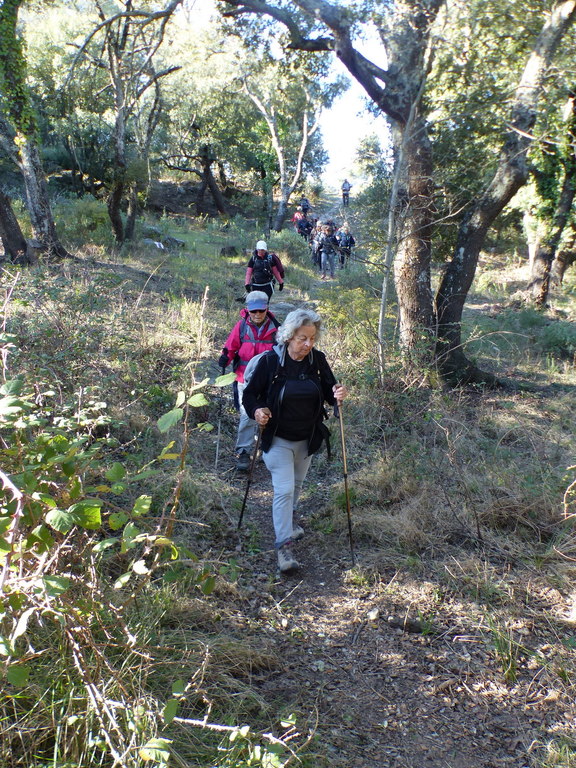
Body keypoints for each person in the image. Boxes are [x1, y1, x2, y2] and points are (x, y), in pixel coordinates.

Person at [242, 308, 348, 573]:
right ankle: (284, 547)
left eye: (312, 338)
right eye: (302, 338)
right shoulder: (269, 362)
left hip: (307, 437)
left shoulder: (318, 361)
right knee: (285, 489)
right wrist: (257, 411)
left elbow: (329, 391)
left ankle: (288, 521)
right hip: (277, 437)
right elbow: (250, 396)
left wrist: (337, 394)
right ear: (289, 336)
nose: (308, 344)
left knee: (297, 486)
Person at [219, 291, 280, 471]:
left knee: (267, 414)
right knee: (247, 415)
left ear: (266, 309)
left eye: (261, 310)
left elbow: (283, 353)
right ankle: (244, 452)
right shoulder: (241, 326)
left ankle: (265, 448)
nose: (257, 314)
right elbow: (231, 346)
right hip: (243, 377)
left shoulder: (276, 328)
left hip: (268, 381)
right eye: (253, 311)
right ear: (247, 310)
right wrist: (225, 358)